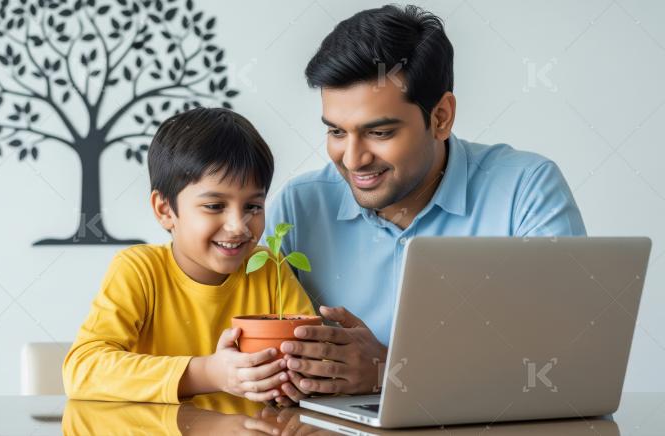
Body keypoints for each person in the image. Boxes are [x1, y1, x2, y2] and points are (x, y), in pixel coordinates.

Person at [264, 4, 587, 405]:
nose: (352, 158)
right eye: (336, 131)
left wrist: (389, 369)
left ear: (441, 117)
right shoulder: (298, 207)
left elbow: (571, 367)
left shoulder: (525, 190)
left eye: (379, 132)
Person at [63, 108, 315, 404]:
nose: (238, 226)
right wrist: (208, 373)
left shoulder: (269, 270)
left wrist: (300, 383)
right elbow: (83, 369)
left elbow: (307, 360)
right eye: (214, 206)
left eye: (252, 207)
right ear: (165, 210)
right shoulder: (138, 271)